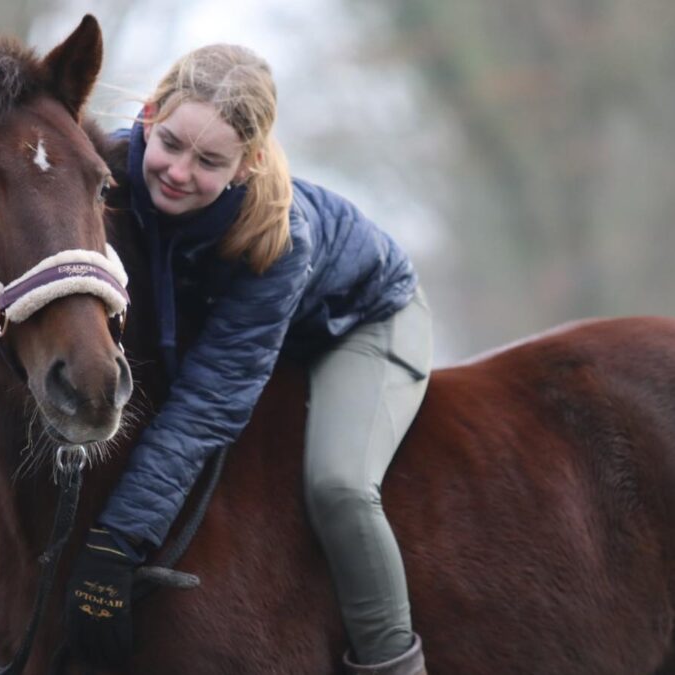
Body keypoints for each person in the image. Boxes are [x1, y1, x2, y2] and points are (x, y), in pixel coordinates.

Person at [64, 43, 433, 675]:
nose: (179, 172)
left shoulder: (282, 241)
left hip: (362, 324)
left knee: (339, 487)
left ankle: (394, 662)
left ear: (248, 164)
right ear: (149, 116)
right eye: (173, 143)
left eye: (209, 161)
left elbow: (206, 407)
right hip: (263, 337)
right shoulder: (111, 173)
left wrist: (117, 544)